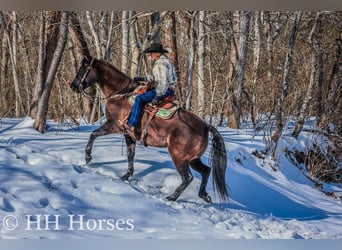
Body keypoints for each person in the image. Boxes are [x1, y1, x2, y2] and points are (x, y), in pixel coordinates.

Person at [124, 42, 177, 139]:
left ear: (157, 53)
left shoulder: (162, 63)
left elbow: (163, 83)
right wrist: (143, 79)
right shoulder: (162, 61)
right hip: (165, 89)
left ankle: (132, 124)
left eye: (152, 53)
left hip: (164, 90)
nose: (151, 55)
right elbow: (155, 78)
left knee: (139, 98)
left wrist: (158, 96)